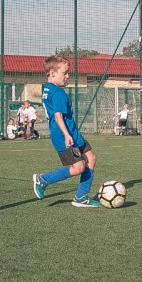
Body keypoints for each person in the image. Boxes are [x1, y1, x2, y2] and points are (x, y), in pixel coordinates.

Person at [32, 55, 101, 208]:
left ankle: (81, 197)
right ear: (52, 73)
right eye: (65, 73)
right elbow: (58, 115)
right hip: (65, 135)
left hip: (72, 133)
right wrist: (67, 134)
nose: (68, 76)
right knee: (79, 167)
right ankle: (43, 179)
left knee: (91, 158)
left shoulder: (48, 88)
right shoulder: (57, 92)